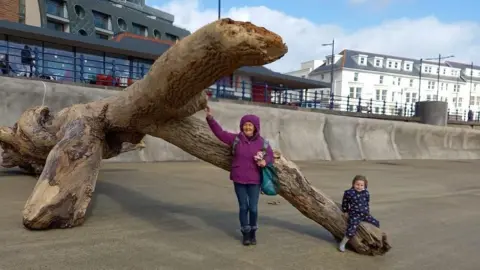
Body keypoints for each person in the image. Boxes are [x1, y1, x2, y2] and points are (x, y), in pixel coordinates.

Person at [205, 105, 274, 246]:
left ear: (256, 127)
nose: (248, 128)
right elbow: (220, 133)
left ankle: (253, 232)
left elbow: (271, 157)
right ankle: (245, 234)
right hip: (239, 179)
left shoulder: (263, 143)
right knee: (243, 207)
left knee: (253, 208)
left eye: (251, 125)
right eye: (245, 125)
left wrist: (264, 161)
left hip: (255, 180)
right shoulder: (235, 139)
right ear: (242, 126)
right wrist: (210, 118)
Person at [338, 175, 380, 252]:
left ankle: (373, 238)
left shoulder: (366, 193)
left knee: (376, 223)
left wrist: (367, 212)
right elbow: (345, 203)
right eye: (357, 184)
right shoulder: (349, 193)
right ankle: (342, 243)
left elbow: (367, 203)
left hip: (364, 214)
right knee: (351, 230)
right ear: (353, 184)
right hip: (355, 214)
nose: (359, 187)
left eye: (361, 185)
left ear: (364, 186)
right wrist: (345, 211)